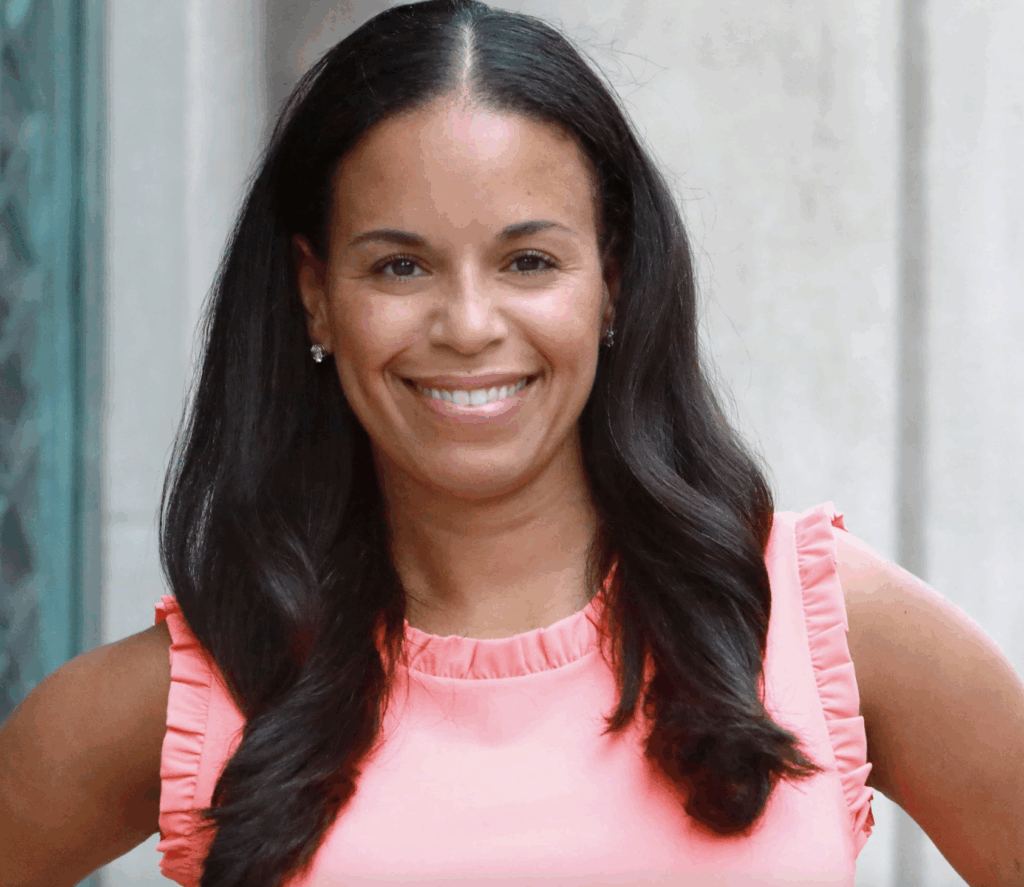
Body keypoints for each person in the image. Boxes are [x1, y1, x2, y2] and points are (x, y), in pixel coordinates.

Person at [2, 1, 1023, 885]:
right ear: (315, 294)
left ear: (613, 278)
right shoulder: (191, 691)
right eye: (399, 268)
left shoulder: (826, 625)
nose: (468, 323)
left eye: (528, 260)